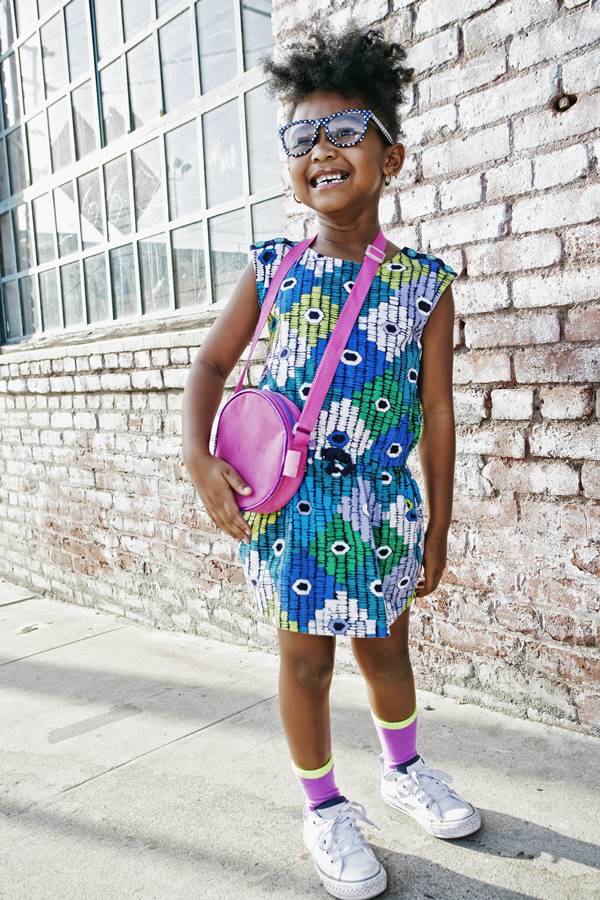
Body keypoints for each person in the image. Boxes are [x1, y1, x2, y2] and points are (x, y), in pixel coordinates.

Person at [183, 21, 481, 900]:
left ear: (390, 157)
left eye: (347, 131)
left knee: (388, 653)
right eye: (303, 136)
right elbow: (207, 364)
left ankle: (404, 768)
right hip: (292, 518)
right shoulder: (271, 268)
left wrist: (440, 524)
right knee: (306, 662)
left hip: (383, 514)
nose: (322, 149)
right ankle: (322, 807)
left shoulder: (426, 285)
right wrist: (199, 460)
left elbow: (436, 411)